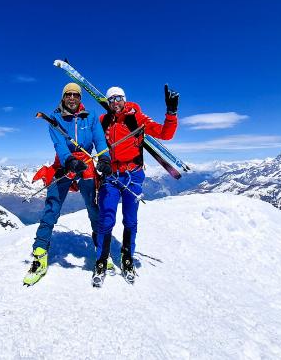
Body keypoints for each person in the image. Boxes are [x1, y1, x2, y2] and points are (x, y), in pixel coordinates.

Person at [23, 83, 113, 286]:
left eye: (75, 95)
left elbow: (99, 140)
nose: (72, 98)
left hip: (86, 164)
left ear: (80, 98)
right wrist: (69, 160)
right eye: (68, 95)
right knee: (51, 209)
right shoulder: (55, 119)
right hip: (64, 165)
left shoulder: (90, 117)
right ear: (63, 98)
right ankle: (39, 255)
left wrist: (105, 158)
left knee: (93, 208)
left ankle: (101, 251)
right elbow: (59, 145)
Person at [92, 85, 179, 286]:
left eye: (119, 98)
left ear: (125, 99)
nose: (116, 102)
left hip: (133, 176)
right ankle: (101, 260)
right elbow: (91, 142)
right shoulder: (103, 121)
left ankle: (127, 257)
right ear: (107, 103)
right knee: (106, 219)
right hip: (111, 177)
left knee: (130, 220)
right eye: (112, 99)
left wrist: (171, 113)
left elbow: (165, 134)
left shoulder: (136, 117)